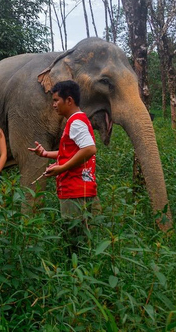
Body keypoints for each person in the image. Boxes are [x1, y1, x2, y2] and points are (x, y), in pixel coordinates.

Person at [28, 80, 99, 245]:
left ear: (69, 100)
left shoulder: (75, 122)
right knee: (86, 239)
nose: (54, 105)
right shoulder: (80, 120)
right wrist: (46, 154)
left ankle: (74, 270)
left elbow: (89, 149)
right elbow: (74, 151)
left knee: (74, 240)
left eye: (55, 100)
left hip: (74, 189)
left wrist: (61, 169)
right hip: (83, 186)